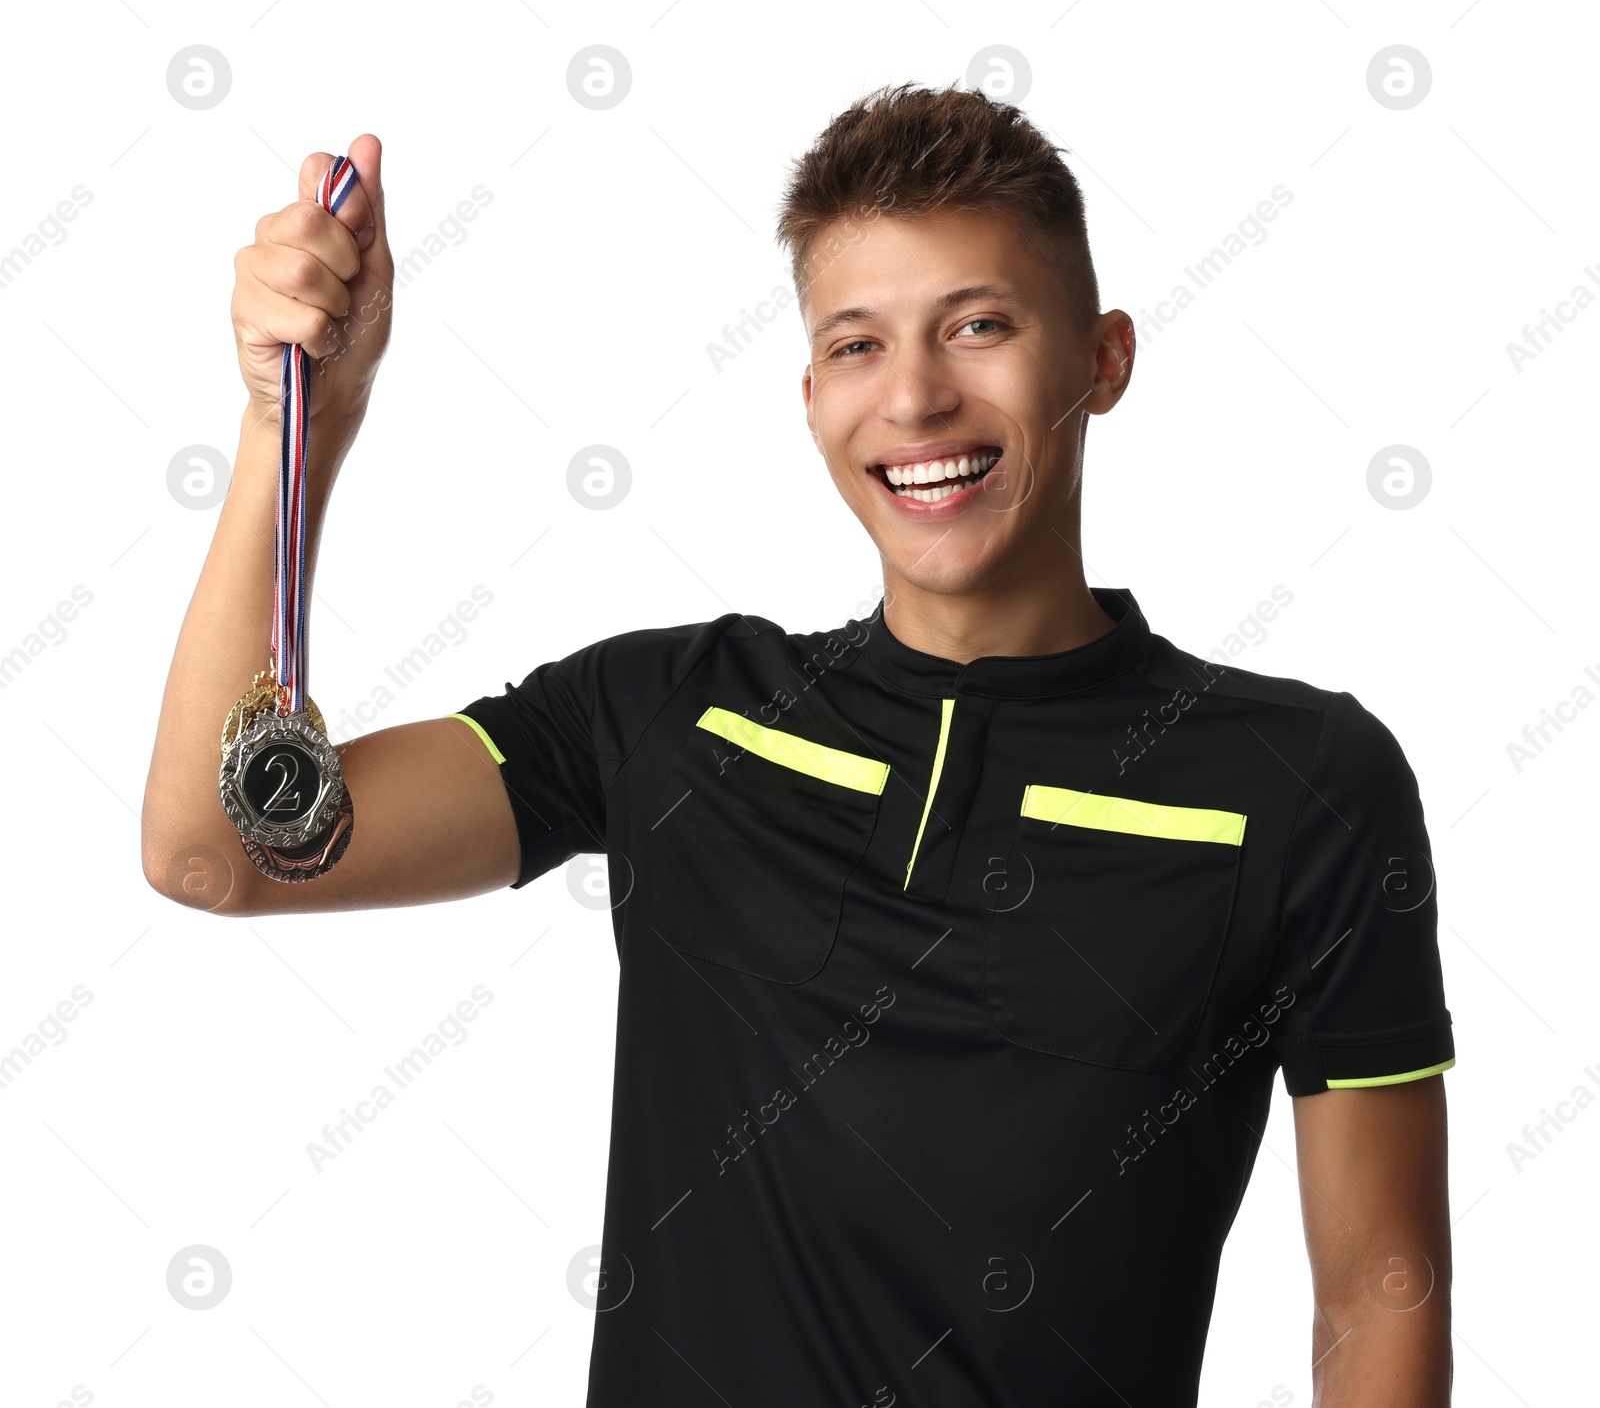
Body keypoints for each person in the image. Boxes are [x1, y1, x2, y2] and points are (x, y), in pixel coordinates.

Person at [142, 83, 1455, 1406]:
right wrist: (296, 425)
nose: (918, 398)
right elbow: (218, 853)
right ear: (813, 391)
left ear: (1103, 358)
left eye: (979, 326)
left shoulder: (1304, 785)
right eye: (858, 345)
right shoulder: (667, 713)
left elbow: (1380, 1290)